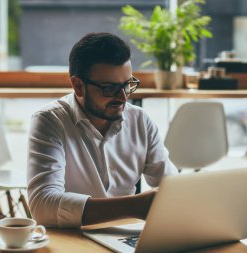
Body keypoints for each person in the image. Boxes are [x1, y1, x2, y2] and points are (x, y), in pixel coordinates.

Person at [27, 32, 178, 228]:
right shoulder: (50, 121)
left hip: (125, 236)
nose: (123, 97)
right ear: (78, 86)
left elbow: (172, 188)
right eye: (109, 88)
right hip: (72, 236)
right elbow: (42, 207)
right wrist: (135, 206)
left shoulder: (140, 120)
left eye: (128, 85)